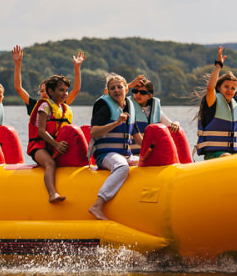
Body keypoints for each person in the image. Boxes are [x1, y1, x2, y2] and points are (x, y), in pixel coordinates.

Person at [196, 47, 237, 160]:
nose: (230, 90)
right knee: (226, 157)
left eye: (233, 88)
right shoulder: (212, 102)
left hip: (233, 154)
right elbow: (210, 88)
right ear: (219, 88)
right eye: (226, 87)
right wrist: (218, 66)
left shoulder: (235, 102)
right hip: (214, 155)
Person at [87, 74, 135, 220]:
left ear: (126, 89)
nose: (116, 90)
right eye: (112, 88)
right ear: (107, 91)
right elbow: (93, 132)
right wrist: (115, 123)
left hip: (125, 155)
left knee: (144, 163)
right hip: (105, 155)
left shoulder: (129, 108)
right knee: (122, 167)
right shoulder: (104, 107)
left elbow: (139, 138)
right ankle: (97, 205)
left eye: (119, 87)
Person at [26, 74, 73, 203]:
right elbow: (41, 131)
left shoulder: (64, 108)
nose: (65, 93)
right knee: (50, 164)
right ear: (51, 92)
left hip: (54, 147)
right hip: (39, 147)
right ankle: (52, 194)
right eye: (61, 90)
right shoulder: (45, 106)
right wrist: (56, 144)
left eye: (66, 90)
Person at [11, 46, 83, 116]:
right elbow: (18, 88)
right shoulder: (34, 105)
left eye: (47, 91)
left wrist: (77, 67)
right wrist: (18, 64)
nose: (44, 93)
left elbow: (75, 90)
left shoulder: (61, 105)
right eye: (42, 91)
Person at [127, 76, 180, 156]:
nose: (138, 94)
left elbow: (170, 124)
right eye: (135, 91)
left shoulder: (156, 111)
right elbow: (109, 94)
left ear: (150, 95)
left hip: (151, 155)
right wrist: (128, 85)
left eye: (143, 92)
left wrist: (176, 123)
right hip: (133, 155)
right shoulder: (126, 107)